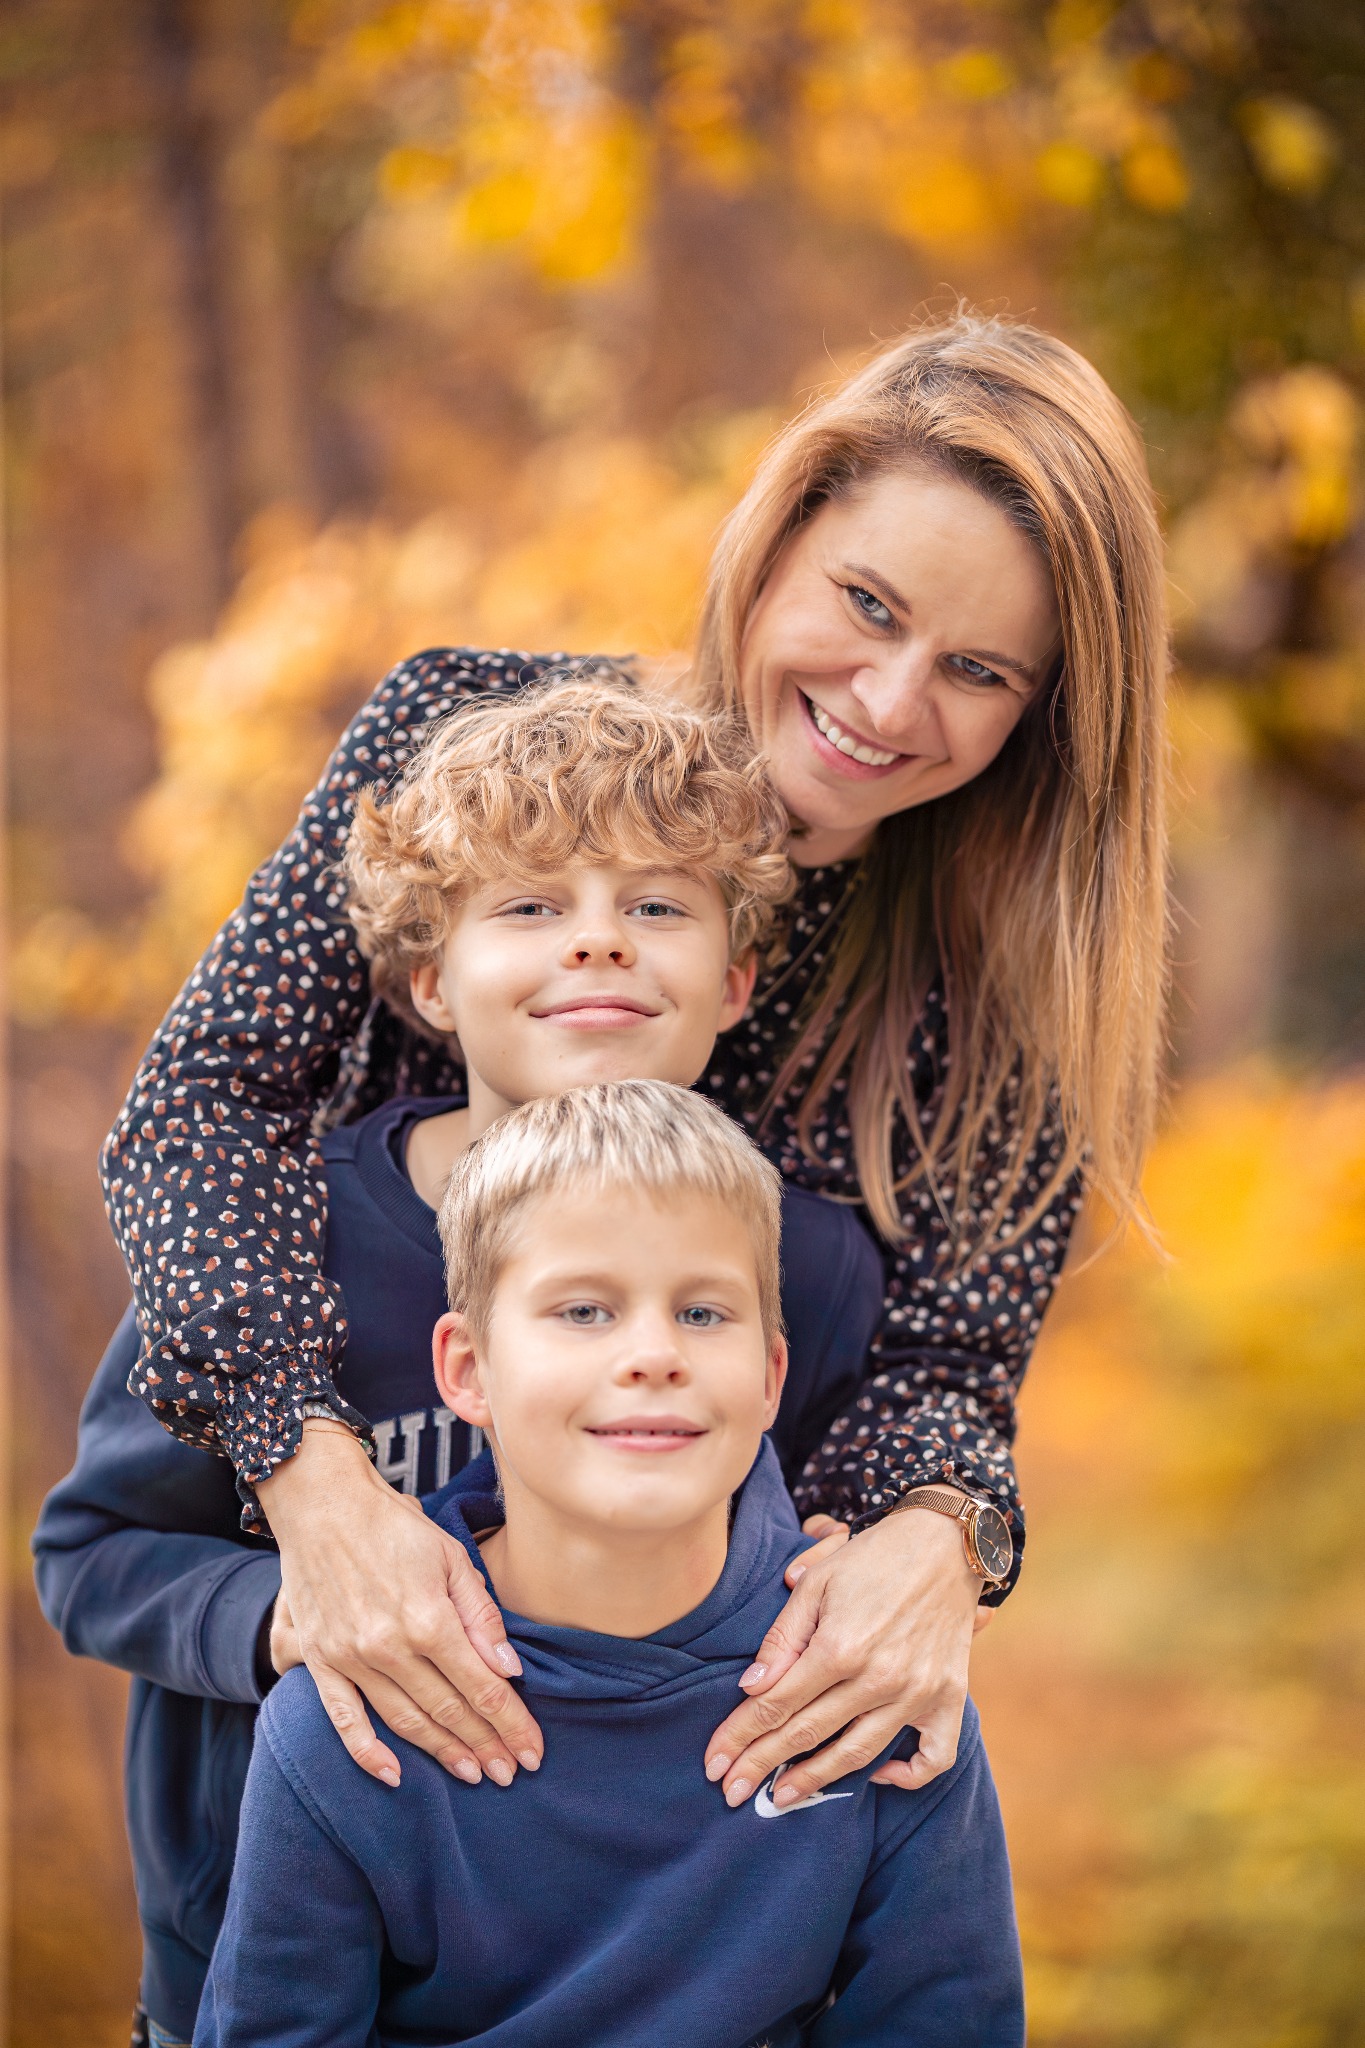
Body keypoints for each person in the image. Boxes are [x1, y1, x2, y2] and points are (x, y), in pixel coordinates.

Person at [99, 312, 1170, 1817]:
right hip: (302, 1762)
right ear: (776, 542)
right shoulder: (488, 760)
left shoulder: (998, 976)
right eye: (866, 603)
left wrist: (938, 1533)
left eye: (978, 670)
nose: (887, 701)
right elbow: (208, 1096)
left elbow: (943, 1373)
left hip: (666, 1807)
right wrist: (317, 1492)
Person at [35, 677, 889, 2048]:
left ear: (736, 979)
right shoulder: (279, 1238)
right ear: (431, 979)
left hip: (659, 1977)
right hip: (261, 1974)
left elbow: (818, 1571)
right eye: (533, 905)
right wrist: (289, 1617)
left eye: (657, 905)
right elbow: (90, 1556)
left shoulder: (811, 1270)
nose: (599, 941)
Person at [196, 1081, 1025, 2048]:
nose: (653, 1354)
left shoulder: (874, 1686)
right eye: (584, 1310)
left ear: (770, 1377)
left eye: (703, 1313)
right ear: (467, 1369)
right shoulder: (354, 1717)